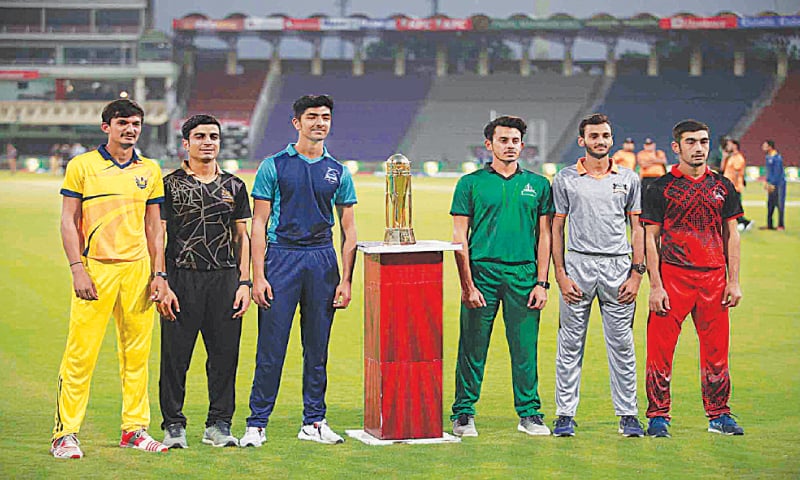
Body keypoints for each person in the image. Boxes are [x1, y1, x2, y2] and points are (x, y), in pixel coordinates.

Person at [51, 99, 168, 459]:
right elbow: (68, 220)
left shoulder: (149, 169)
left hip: (137, 271)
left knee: (136, 356)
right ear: (107, 127)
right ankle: (65, 434)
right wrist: (77, 268)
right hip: (96, 268)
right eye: (122, 123)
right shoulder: (83, 166)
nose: (130, 129)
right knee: (80, 355)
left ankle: (134, 429)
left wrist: (159, 273)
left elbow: (154, 227)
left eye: (135, 124)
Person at [240, 95, 357, 447]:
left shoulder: (338, 171)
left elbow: (349, 231)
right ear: (297, 122)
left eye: (325, 117)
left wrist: (347, 279)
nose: (319, 123)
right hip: (282, 258)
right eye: (312, 117)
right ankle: (256, 424)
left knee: (317, 349)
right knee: (271, 348)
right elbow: (258, 224)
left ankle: (314, 422)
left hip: (322, 261)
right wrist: (258, 275)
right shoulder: (273, 165)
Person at [450, 115, 554, 438]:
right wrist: (467, 284)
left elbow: (546, 236)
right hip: (482, 272)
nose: (509, 146)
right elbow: (459, 237)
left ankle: (530, 414)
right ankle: (463, 413)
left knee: (525, 348)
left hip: (523, 274)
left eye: (515, 141)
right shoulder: (470, 183)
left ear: (523, 145)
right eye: (503, 140)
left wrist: (541, 282)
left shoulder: (538, 185)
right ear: (489, 145)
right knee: (472, 346)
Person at [641, 119, 745, 438]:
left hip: (714, 278)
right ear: (677, 147)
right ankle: (659, 416)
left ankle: (719, 415)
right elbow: (651, 239)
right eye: (691, 142)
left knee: (716, 352)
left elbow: (732, 235)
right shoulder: (660, 188)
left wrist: (734, 280)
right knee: (660, 351)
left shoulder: (723, 185)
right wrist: (655, 285)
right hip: (673, 277)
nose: (698, 148)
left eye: (703, 141)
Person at [157, 114, 252, 449]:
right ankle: (173, 426)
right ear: (186, 143)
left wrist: (245, 283)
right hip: (181, 278)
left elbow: (243, 237)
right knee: (175, 357)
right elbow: (158, 236)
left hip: (225, 280)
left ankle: (219, 424)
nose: (208, 141)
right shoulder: (168, 185)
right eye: (200, 136)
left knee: (225, 357)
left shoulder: (235, 186)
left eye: (213, 136)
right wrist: (162, 281)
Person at [551, 114, 645, 438]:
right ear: (582, 140)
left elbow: (638, 229)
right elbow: (556, 228)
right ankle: (564, 414)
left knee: (622, 344)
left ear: (611, 138)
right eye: (594, 136)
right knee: (569, 344)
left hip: (618, 268)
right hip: (578, 266)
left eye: (605, 135)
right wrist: (560, 275)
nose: (600, 141)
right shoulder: (565, 179)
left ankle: (628, 414)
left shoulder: (629, 179)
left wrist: (637, 274)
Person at [721, 139, 754, 231]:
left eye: (729, 145)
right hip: (728, 186)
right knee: (731, 207)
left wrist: (733, 187)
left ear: (735, 146)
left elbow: (736, 173)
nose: (728, 147)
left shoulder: (739, 158)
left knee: (733, 207)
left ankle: (744, 222)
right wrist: (724, 157)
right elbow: (722, 169)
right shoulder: (731, 157)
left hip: (734, 186)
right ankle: (743, 223)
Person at [762, 140, 786, 231]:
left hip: (779, 185)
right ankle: (769, 224)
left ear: (770, 147)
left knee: (779, 204)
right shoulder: (768, 157)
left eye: (765, 146)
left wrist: (772, 184)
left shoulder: (777, 158)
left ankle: (781, 225)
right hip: (771, 184)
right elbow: (768, 172)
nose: (763, 147)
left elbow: (777, 173)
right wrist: (766, 182)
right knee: (770, 204)